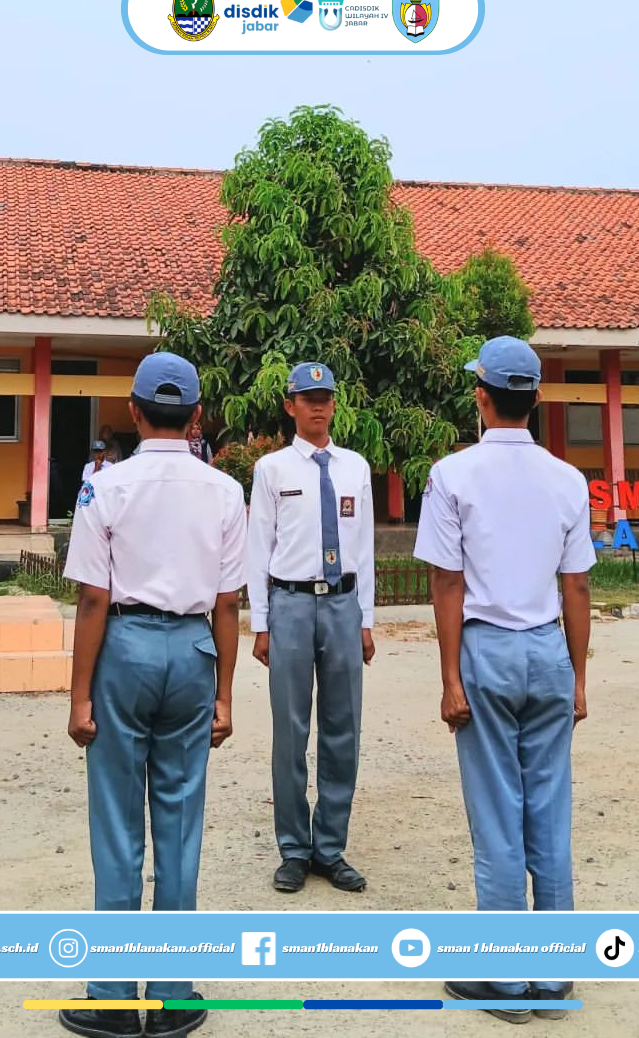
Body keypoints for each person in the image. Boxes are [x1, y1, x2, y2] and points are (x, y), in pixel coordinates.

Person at [61, 351, 246, 1038]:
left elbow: (91, 598)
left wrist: (79, 696)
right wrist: (226, 694)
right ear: (197, 416)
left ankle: (110, 994)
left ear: (133, 412)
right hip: (194, 651)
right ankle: (171, 994)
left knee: (116, 823)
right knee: (178, 821)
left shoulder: (105, 487)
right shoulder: (224, 491)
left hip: (124, 647)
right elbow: (228, 604)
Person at [413, 336, 595, 1024]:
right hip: (548, 649)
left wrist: (450, 678)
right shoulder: (567, 480)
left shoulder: (453, 474)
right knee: (549, 813)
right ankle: (553, 977)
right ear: (536, 400)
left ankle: (504, 976)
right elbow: (575, 587)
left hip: (486, 651)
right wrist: (577, 677)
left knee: (496, 817)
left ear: (481, 397)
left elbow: (448, 583)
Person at [247, 361, 375, 894]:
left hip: (343, 604)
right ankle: (294, 849)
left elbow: (363, 546)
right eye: (308, 397)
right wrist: (261, 622)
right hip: (292, 605)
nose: (318, 405)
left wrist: (366, 618)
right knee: (291, 731)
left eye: (325, 396)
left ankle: (330, 847)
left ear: (334, 404)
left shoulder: (355, 467)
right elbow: (259, 546)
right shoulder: (272, 469)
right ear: (290, 405)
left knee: (343, 729)